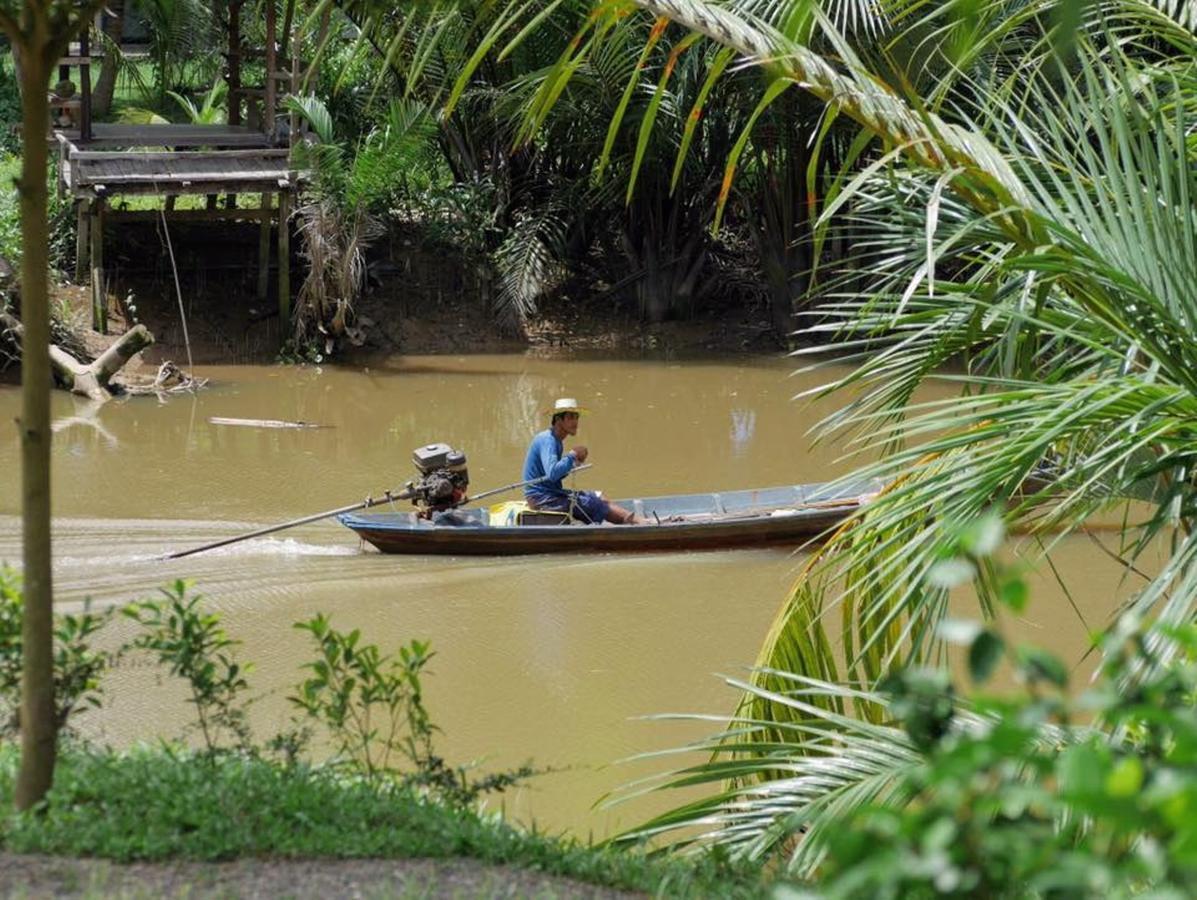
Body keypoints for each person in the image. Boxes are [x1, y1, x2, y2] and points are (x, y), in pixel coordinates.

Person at [522, 398, 639, 524]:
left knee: (599, 496)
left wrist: (573, 463)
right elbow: (552, 473)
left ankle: (635, 520)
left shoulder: (556, 441)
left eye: (576, 417)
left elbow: (554, 476)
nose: (575, 422)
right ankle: (636, 522)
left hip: (552, 494)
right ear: (559, 420)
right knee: (594, 503)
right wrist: (572, 455)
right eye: (571, 417)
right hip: (542, 499)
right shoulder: (548, 440)